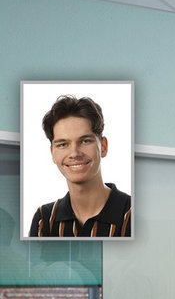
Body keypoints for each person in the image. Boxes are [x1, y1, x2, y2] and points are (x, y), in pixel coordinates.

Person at [28, 94, 132, 238]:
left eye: (85, 141)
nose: (74, 153)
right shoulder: (44, 220)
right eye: (63, 144)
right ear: (52, 153)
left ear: (103, 147)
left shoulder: (133, 214)